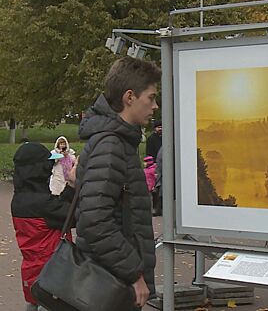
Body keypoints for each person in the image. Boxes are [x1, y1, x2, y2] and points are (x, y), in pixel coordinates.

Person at [76, 56, 159, 310]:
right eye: (151, 97)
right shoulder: (111, 145)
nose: (155, 106)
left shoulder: (118, 143)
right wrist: (133, 274)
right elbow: (95, 221)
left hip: (110, 277)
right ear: (130, 97)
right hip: (109, 282)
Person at [11, 142, 77, 311]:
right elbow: (73, 216)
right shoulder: (44, 204)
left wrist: (69, 186)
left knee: (33, 304)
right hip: (52, 273)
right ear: (37, 170)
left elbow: (57, 208)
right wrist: (74, 183)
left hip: (32, 271)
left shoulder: (19, 200)